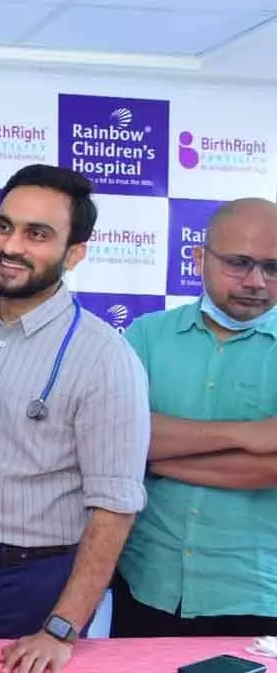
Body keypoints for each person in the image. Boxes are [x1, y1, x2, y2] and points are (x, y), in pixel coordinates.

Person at [0, 164, 150, 673]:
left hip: (36, 582)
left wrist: (61, 628)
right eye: (4, 226)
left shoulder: (104, 357)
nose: (12, 245)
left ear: (74, 254)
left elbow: (114, 508)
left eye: (37, 234)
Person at [113, 197, 277, 638]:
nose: (256, 281)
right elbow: (123, 440)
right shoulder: (146, 335)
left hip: (256, 591)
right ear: (199, 257)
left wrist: (165, 459)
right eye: (239, 263)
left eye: (273, 268)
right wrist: (251, 434)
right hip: (147, 581)